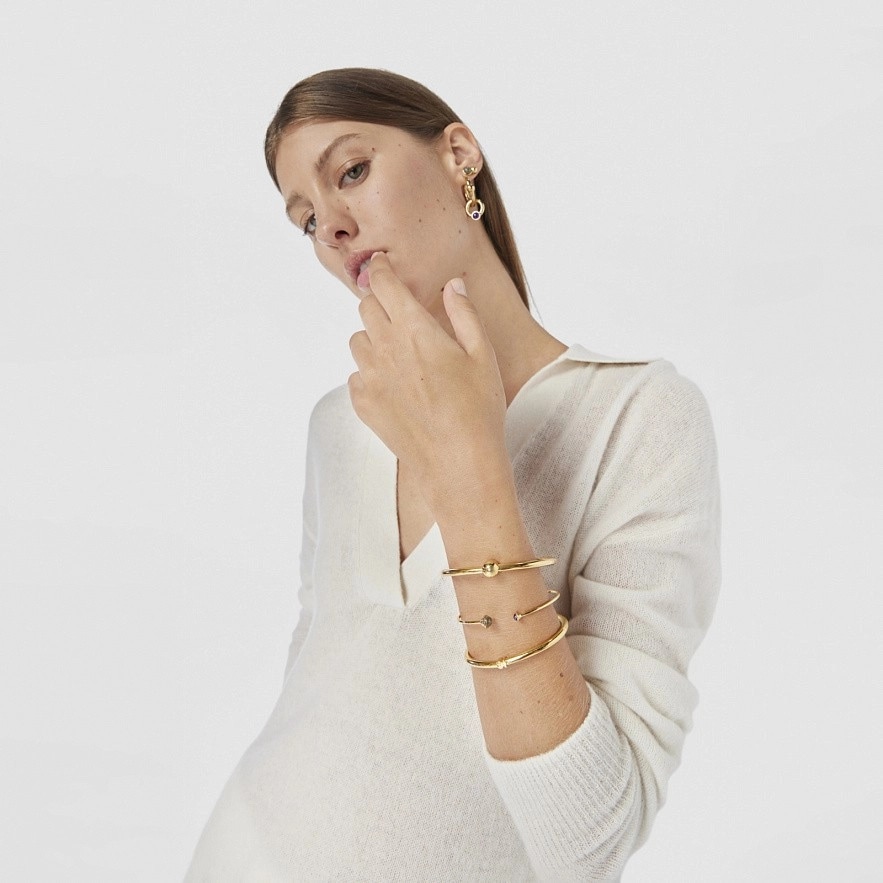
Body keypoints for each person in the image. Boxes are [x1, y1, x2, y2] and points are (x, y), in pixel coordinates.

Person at [184, 68, 721, 882]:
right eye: (306, 220)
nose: (332, 227)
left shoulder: (637, 416)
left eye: (350, 172)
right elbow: (322, 681)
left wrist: (469, 466)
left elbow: (587, 840)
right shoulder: (339, 423)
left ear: (458, 154)